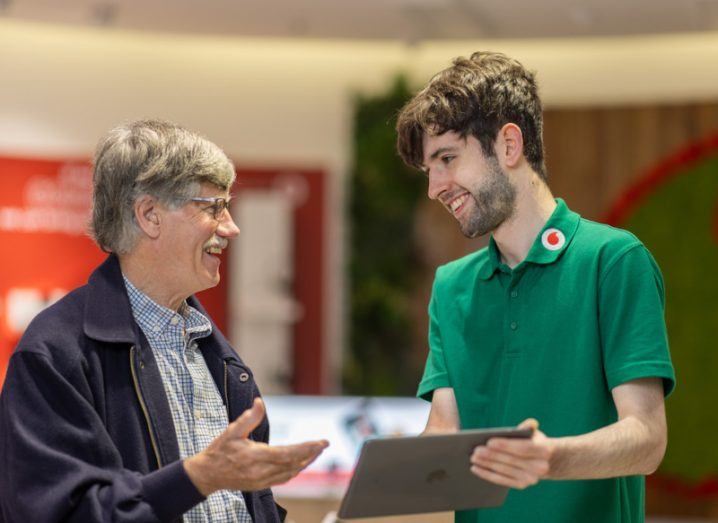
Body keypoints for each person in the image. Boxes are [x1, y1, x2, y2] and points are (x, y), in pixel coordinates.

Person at [0, 119, 328, 522]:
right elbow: (60, 513)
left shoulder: (217, 357)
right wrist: (197, 477)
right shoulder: (55, 353)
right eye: (214, 207)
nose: (231, 227)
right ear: (150, 215)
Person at [395, 52, 675, 523]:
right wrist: (382, 478)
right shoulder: (451, 287)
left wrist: (550, 457)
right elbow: (445, 431)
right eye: (429, 170)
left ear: (508, 145)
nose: (435, 187)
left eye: (447, 159)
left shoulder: (613, 260)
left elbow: (646, 439)